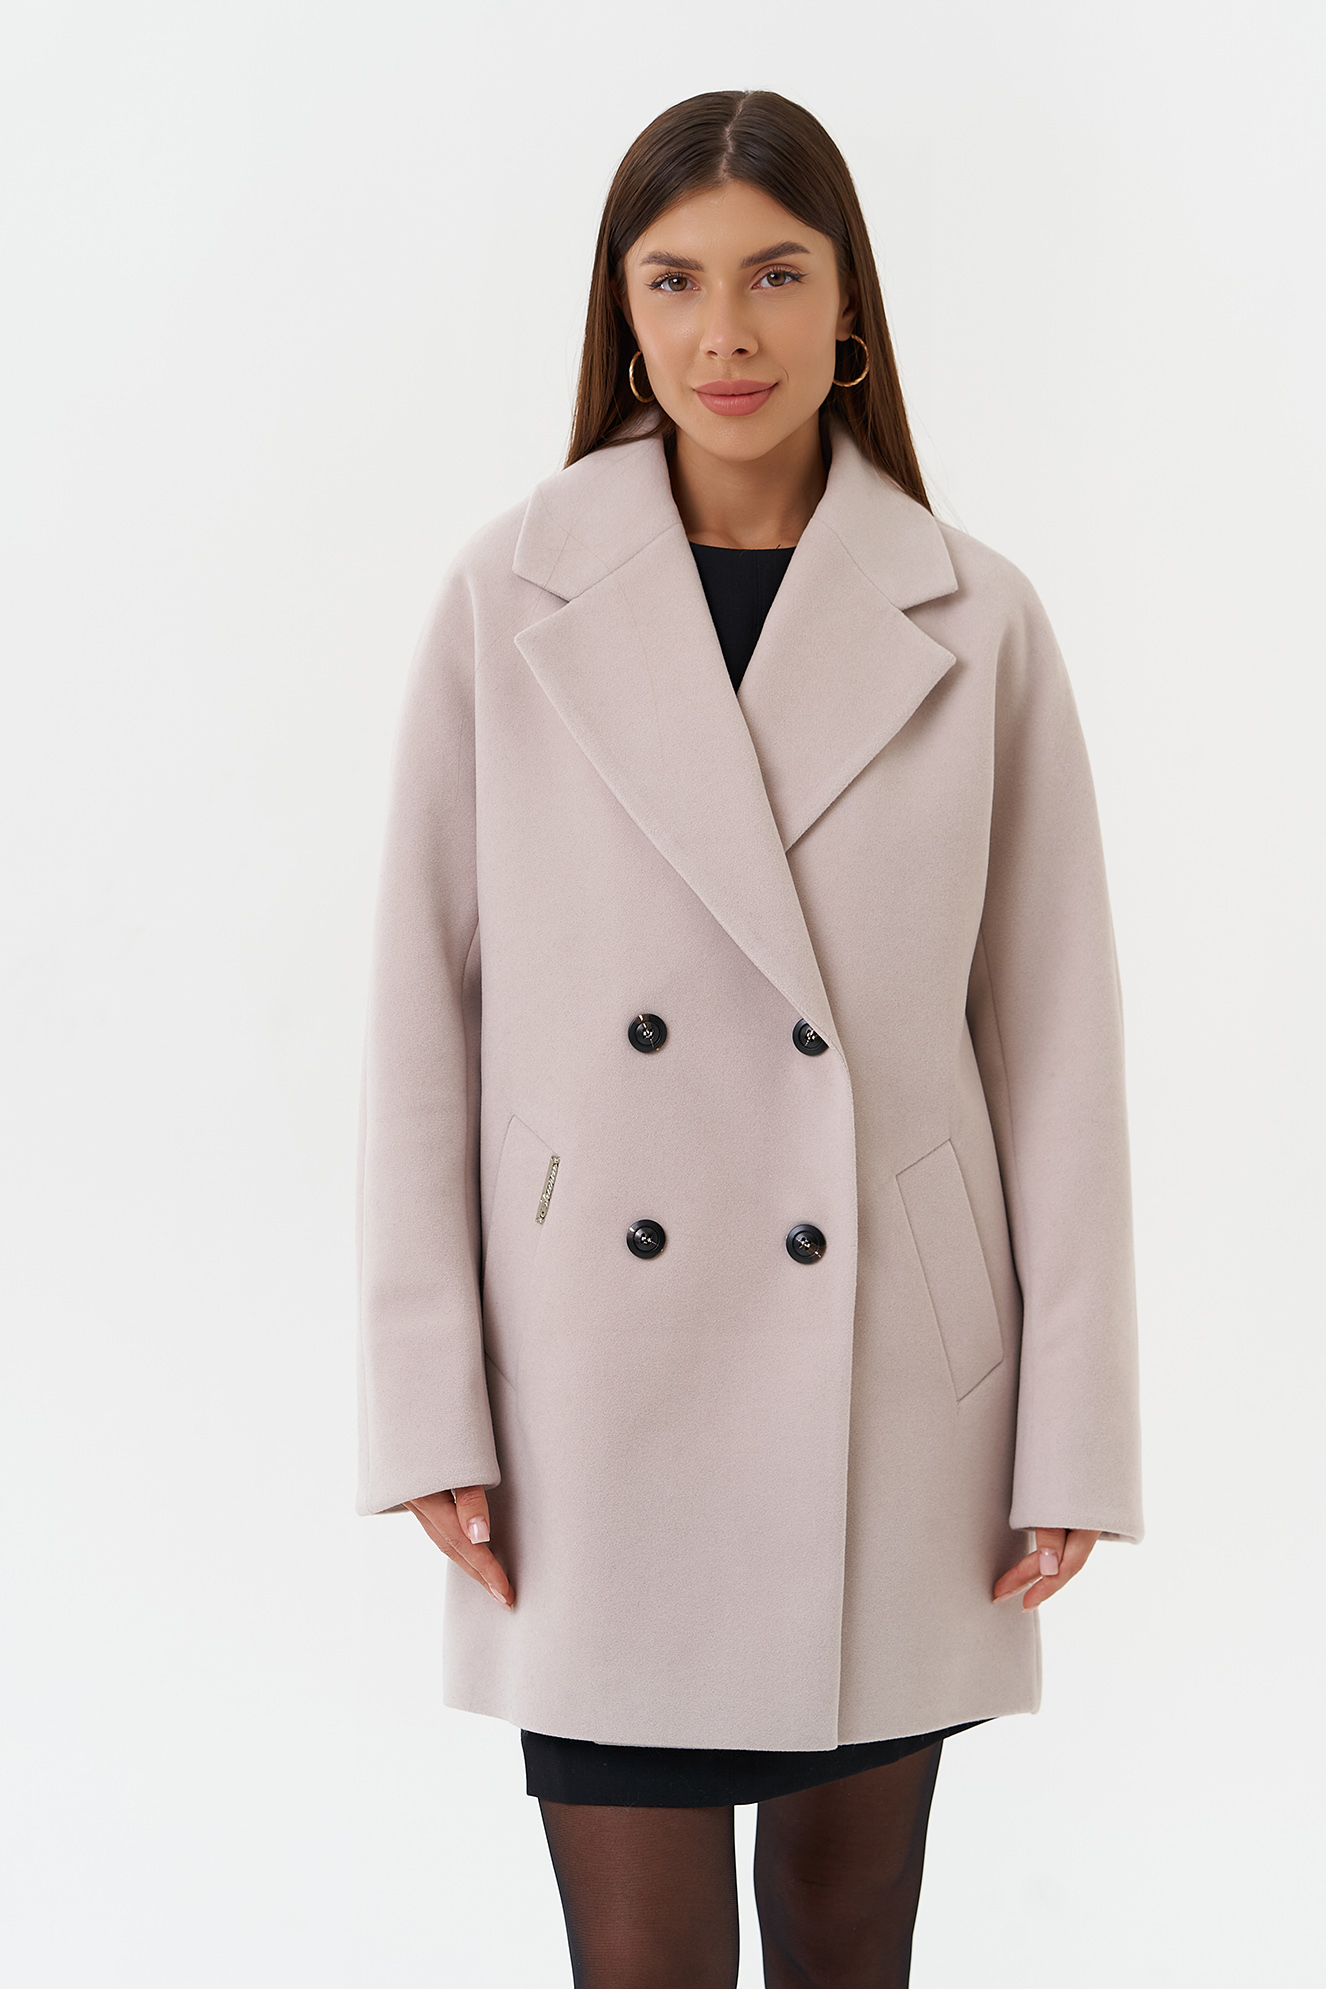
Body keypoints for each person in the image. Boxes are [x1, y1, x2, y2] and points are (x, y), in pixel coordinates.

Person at [355, 89, 1143, 1988]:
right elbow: (419, 1023)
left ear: (848, 306)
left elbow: (1054, 1046)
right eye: (676, 280)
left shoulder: (975, 615)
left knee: (849, 1947)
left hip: (889, 1390)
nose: (728, 332)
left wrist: (1072, 1427)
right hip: (588, 1385)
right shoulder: (505, 594)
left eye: (777, 276)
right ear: (619, 310)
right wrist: (424, 1397)